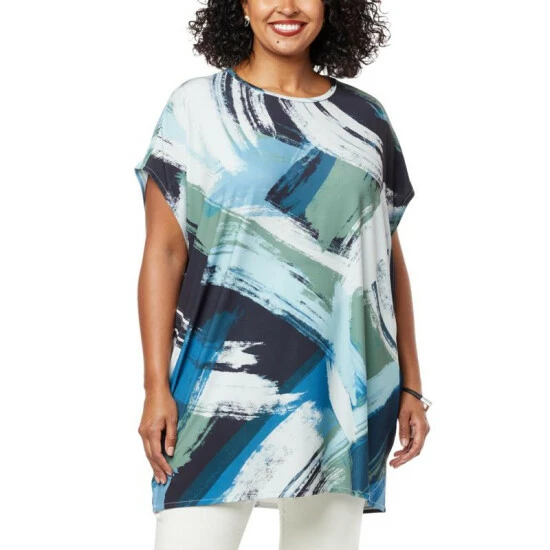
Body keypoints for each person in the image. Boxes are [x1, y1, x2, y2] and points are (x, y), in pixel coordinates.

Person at [134, 1, 431, 549]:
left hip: (340, 392)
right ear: (242, 5)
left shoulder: (366, 120)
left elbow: (384, 260)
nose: (288, 7)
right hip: (217, 387)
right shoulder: (196, 108)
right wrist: (156, 386)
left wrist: (411, 383)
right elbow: (165, 253)